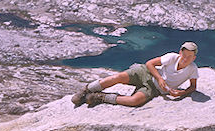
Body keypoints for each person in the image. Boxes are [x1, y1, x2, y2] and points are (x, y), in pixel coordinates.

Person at [71, 41, 199, 107]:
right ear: (180, 52)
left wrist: (181, 93)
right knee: (119, 77)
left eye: (189, 56)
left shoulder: (192, 69)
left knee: (135, 101)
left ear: (194, 58)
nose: (185, 59)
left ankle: (100, 98)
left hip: (153, 89)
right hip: (145, 73)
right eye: (184, 55)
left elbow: (193, 87)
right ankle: (86, 90)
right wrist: (159, 78)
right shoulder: (172, 57)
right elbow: (150, 64)